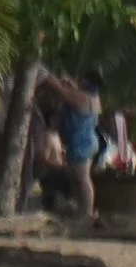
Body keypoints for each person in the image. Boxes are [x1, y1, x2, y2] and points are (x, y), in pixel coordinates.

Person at [35, 69, 104, 220]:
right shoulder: (93, 97)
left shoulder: (82, 97)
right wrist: (67, 81)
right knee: (75, 179)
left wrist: (45, 76)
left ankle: (88, 213)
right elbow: (70, 90)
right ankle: (81, 210)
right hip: (83, 140)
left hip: (82, 142)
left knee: (83, 178)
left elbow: (61, 92)